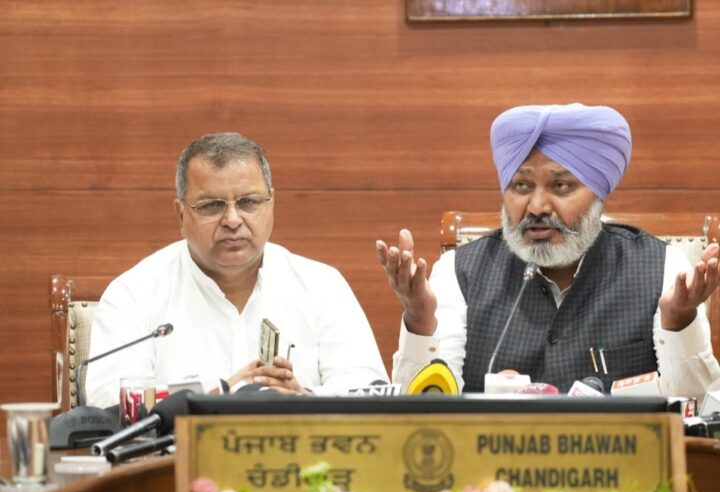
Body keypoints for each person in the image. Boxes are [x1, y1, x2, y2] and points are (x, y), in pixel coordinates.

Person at [377, 103, 720, 399]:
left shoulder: (660, 266)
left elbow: (694, 413)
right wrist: (420, 319)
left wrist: (678, 321)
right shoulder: (459, 272)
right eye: (521, 185)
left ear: (598, 196)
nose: (537, 206)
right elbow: (420, 417)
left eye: (560, 186)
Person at [87, 132, 388, 407]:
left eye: (248, 202)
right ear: (180, 214)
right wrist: (224, 392)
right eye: (212, 205)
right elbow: (111, 402)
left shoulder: (322, 286)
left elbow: (370, 392)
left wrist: (302, 399)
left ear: (271, 203)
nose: (232, 220)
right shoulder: (135, 293)